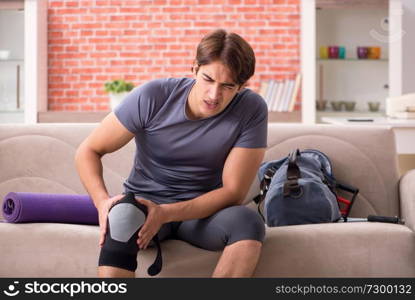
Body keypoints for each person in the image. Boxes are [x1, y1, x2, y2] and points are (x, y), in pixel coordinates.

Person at [75, 28, 268, 278]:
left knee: (248, 222)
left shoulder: (251, 109)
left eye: (227, 86)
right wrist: (102, 203)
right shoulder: (155, 96)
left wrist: (166, 213)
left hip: (204, 215)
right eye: (208, 79)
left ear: (241, 86)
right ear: (194, 69)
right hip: (145, 204)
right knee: (121, 217)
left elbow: (234, 192)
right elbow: (88, 150)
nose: (214, 95)